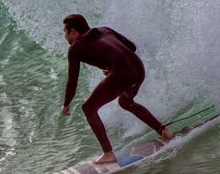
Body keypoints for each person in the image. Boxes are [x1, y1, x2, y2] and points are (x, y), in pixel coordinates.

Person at [60, 13, 174, 164]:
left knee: (88, 108)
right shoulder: (104, 30)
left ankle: (108, 154)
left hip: (122, 73)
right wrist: (112, 63)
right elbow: (132, 47)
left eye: (65, 32)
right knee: (126, 102)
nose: (65, 36)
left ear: (72, 31)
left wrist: (66, 104)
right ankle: (164, 131)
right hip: (138, 67)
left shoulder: (75, 48)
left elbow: (72, 81)